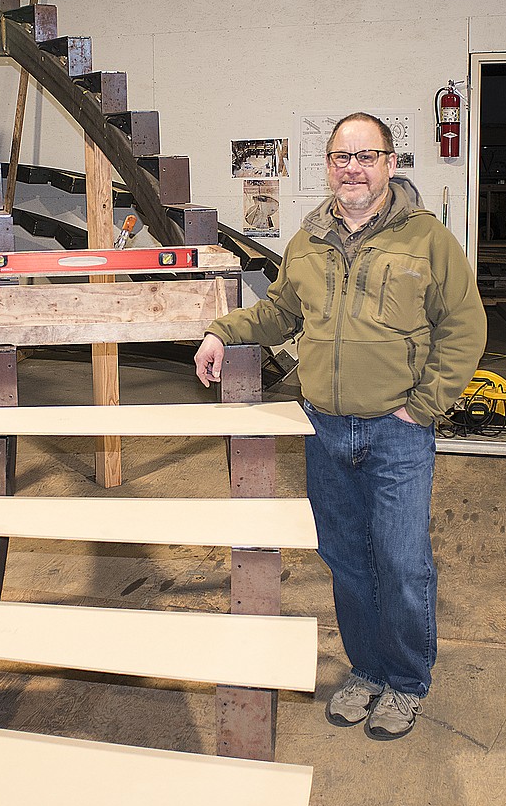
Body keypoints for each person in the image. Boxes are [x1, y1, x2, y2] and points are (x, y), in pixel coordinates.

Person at [194, 112, 485, 740]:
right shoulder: (308, 241)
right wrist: (224, 330)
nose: (353, 168)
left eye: (366, 156)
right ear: (328, 165)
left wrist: (425, 405)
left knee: (403, 562)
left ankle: (406, 681)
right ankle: (368, 670)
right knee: (347, 560)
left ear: (390, 163)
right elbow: (278, 313)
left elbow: (465, 326)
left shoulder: (426, 240)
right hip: (324, 430)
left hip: (398, 431)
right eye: (341, 157)